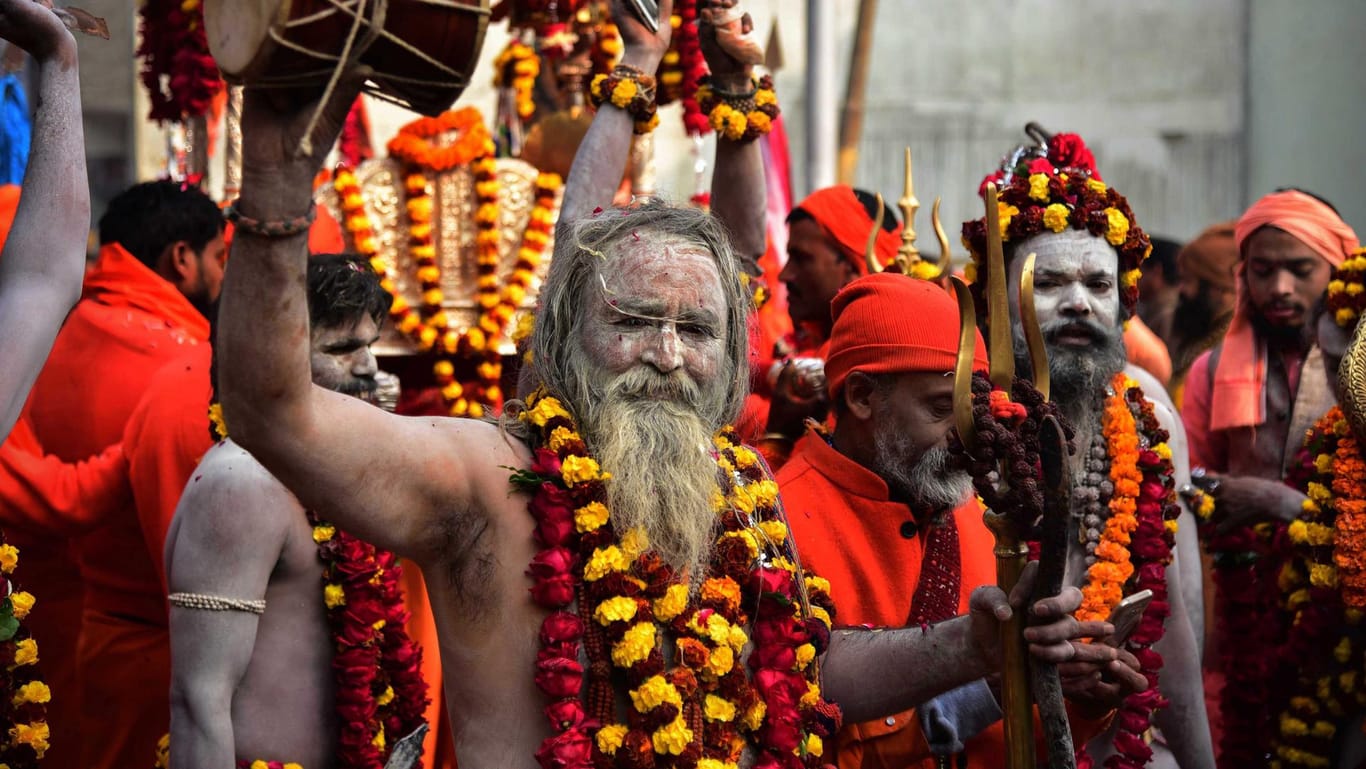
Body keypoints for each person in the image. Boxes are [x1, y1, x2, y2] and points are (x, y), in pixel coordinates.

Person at [217, 2, 1122, 766]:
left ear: (730, 360)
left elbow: (801, 668)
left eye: (695, 330)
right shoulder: (488, 480)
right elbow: (275, 410)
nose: (666, 352)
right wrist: (274, 178)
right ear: (573, 337)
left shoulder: (737, 491)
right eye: (633, 321)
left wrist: (971, 641)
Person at [778, 273, 1145, 768]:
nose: (967, 435)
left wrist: (1079, 699)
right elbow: (797, 738)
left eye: (974, 410)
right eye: (940, 407)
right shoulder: (779, 523)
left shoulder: (968, 507)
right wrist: (984, 686)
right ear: (862, 396)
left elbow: (1005, 747)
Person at [962, 129, 1214, 769]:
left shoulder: (1148, 415)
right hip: (978, 735)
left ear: (1123, 300)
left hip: (1115, 739)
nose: (1078, 303)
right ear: (999, 300)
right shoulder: (961, 419)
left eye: (1098, 285)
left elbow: (1174, 623)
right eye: (1048, 284)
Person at [166, 255, 431, 769]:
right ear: (266, 358)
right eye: (342, 348)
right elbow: (199, 702)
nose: (370, 366)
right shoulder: (240, 483)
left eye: (370, 345)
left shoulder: (327, 467)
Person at [22, 179, 224, 769]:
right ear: (181, 258)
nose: (225, 274)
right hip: (164, 657)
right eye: (221, 257)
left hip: (70, 637)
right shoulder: (187, 368)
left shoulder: (54, 336)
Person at [1182, 189, 1358, 520]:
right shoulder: (1210, 369)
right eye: (1263, 270)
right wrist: (1248, 495)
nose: (1280, 287)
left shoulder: (1358, 365)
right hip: (1245, 566)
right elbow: (1187, 478)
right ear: (1244, 275)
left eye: (1301, 269)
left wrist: (1293, 508)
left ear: (1338, 270)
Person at [1167, 222, 1238, 405]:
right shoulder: (1202, 332)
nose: (1181, 290)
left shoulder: (1235, 344)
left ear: (1219, 288)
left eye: (1188, 280)